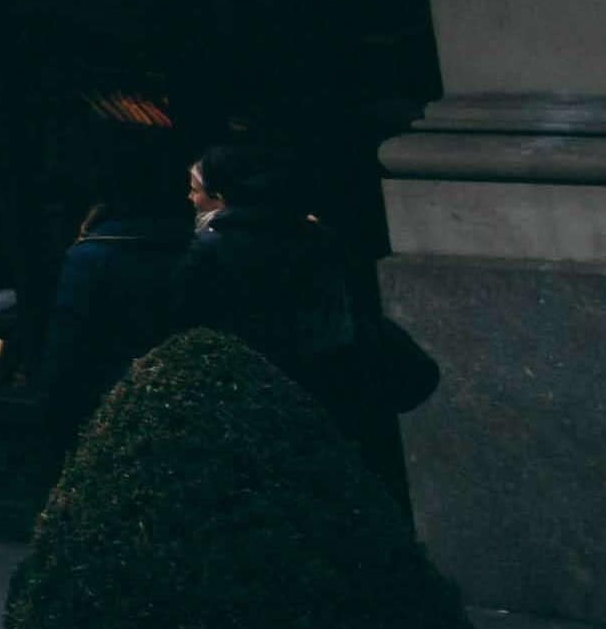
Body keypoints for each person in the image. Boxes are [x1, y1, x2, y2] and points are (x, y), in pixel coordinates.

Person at [175, 146, 437, 498]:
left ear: (220, 195)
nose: (191, 197)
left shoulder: (208, 249)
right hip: (337, 381)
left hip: (259, 391)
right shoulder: (317, 237)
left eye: (196, 188)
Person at [32, 132, 196, 424]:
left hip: (105, 397)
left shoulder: (93, 255)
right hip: (179, 393)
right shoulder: (192, 247)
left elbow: (67, 339)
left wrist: (47, 399)